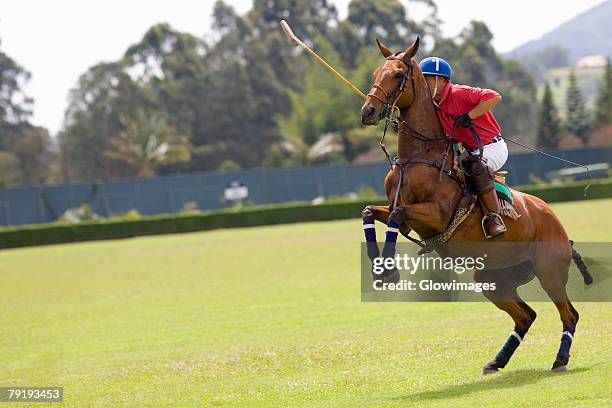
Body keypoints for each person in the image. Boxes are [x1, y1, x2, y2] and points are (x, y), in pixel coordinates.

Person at [419, 56, 508, 238]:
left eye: (426, 78)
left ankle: (494, 218)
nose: (423, 83)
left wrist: (470, 115)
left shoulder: (459, 93)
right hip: (466, 151)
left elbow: (494, 97)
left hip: (492, 147)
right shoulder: (432, 104)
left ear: (441, 80)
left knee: (477, 167)